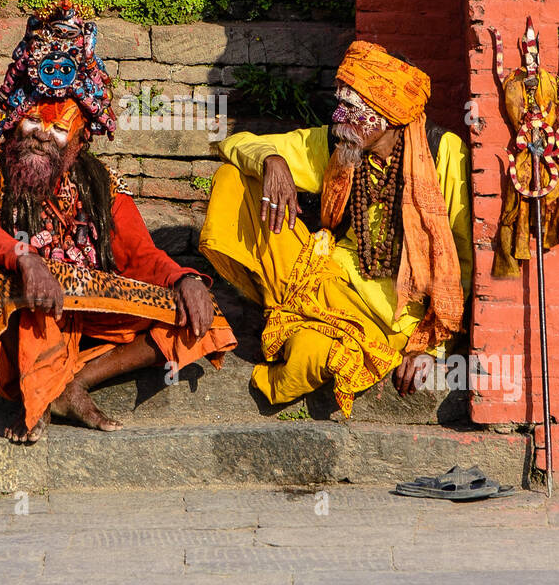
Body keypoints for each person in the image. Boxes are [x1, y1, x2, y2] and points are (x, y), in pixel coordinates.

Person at [0, 1, 236, 443]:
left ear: (81, 141)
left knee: (199, 313)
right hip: (25, 309)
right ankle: (39, 394)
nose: (42, 134)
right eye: (31, 120)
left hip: (85, 307)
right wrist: (23, 257)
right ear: (12, 120)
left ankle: (71, 384)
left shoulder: (101, 182)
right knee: (27, 293)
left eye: (59, 127)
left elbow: (140, 253)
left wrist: (182, 277)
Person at [199, 40, 472, 416]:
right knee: (235, 177)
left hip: (393, 318)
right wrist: (273, 160)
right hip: (329, 276)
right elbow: (237, 143)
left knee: (307, 358)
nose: (339, 117)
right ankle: (286, 309)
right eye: (339, 105)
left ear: (389, 114)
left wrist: (432, 348)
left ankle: (296, 337)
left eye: (352, 109)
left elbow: (462, 263)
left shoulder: (444, 153)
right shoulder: (337, 142)